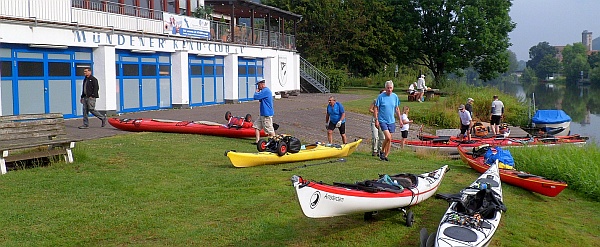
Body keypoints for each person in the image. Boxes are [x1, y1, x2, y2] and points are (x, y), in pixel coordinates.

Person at [374, 80, 403, 161]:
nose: (389, 90)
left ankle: (385, 156)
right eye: (388, 88)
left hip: (391, 120)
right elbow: (376, 108)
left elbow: (397, 109)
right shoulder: (381, 97)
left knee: (389, 139)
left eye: (390, 88)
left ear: (392, 88)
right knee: (388, 137)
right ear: (385, 88)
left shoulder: (395, 97)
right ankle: (382, 151)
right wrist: (376, 119)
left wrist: (400, 120)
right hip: (382, 120)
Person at [253, 78, 276, 143]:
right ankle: (257, 141)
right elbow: (261, 99)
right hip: (263, 113)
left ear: (261, 84)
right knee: (256, 126)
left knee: (269, 129)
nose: (257, 87)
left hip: (266, 114)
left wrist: (256, 92)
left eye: (258, 85)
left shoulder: (265, 91)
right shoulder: (264, 91)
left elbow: (255, 97)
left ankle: (275, 142)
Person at [369, 89, 385, 156]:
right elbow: (370, 109)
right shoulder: (376, 100)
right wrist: (376, 112)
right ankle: (374, 150)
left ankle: (380, 150)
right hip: (374, 119)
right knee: (375, 137)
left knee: (382, 137)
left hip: (382, 120)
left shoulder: (386, 102)